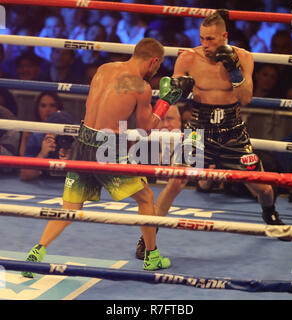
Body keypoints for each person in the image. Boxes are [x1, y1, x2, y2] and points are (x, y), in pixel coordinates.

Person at [21, 38, 194, 277]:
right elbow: (146, 129)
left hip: (83, 140)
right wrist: (165, 102)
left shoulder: (104, 69)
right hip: (107, 147)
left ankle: (37, 251)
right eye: (159, 65)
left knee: (70, 207)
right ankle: (152, 257)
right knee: (145, 197)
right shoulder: (141, 87)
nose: (156, 71)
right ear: (154, 61)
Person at [135, 12, 289, 258]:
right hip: (199, 129)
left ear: (224, 36)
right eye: (202, 39)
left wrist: (233, 70)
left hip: (232, 131)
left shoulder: (243, 57)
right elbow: (172, 95)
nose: (205, 45)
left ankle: (270, 214)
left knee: (263, 188)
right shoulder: (188, 59)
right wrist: (175, 93)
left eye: (210, 39)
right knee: (176, 181)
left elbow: (246, 97)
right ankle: (148, 237)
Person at [20, 110, 74, 181]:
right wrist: (41, 155)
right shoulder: (37, 138)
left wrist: (74, 159)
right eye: (56, 132)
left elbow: (89, 180)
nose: (60, 138)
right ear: (46, 131)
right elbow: (25, 175)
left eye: (64, 133)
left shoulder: (78, 141)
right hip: (41, 186)